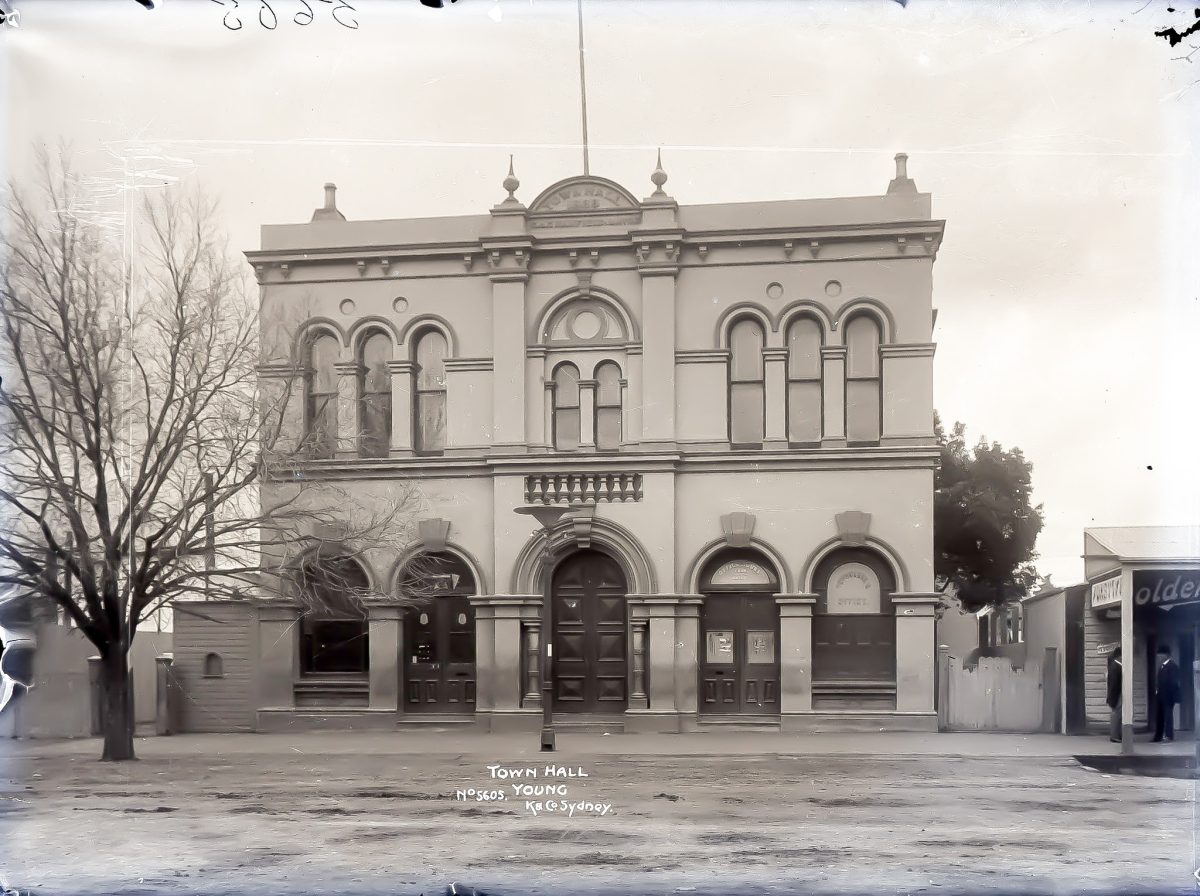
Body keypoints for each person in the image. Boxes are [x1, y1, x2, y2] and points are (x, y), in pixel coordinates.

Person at [1152, 644, 1181, 743]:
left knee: (1168, 716)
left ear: (1166, 655)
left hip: (1168, 696)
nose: (1158, 657)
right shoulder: (1162, 666)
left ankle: (1169, 735)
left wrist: (1170, 695)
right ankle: (1158, 736)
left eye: (1160, 655)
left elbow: (1173, 682)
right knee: (1159, 716)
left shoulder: (1172, 666)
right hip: (1160, 696)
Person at [1106, 647, 1123, 743]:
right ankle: (1114, 736)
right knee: (1116, 715)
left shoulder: (1114, 665)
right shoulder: (1116, 666)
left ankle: (1117, 735)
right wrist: (1113, 698)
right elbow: (1114, 684)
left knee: (1118, 716)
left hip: (1116, 695)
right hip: (1117, 695)